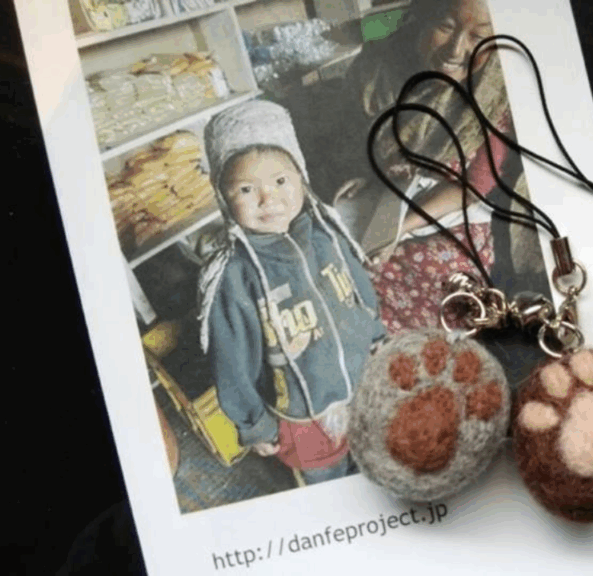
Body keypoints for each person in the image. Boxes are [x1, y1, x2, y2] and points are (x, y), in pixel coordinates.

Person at [303, 0, 547, 335]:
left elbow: (473, 186)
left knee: (430, 270)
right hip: (389, 197)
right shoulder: (378, 69)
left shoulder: (495, 92)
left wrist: (399, 228)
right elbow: (358, 142)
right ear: (421, 18)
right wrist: (365, 175)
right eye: (445, 26)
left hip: (452, 210)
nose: (456, 49)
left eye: (478, 36)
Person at [196, 100, 386, 486]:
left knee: (373, 459)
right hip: (302, 415)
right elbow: (231, 361)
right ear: (224, 197)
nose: (269, 199)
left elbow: (357, 287)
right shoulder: (235, 275)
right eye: (246, 189)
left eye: (281, 181)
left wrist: (376, 333)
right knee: (328, 483)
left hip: (361, 383)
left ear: (301, 178)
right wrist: (255, 424)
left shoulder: (325, 234)